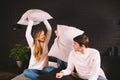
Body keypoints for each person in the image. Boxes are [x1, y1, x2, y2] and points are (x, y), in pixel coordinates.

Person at [17, 9, 54, 80]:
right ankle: (41, 78)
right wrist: (31, 20)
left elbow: (49, 30)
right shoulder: (33, 44)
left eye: (44, 34)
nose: (44, 36)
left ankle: (40, 78)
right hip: (33, 69)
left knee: (51, 69)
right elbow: (27, 34)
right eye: (42, 35)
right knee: (26, 72)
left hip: (44, 70)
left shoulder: (45, 42)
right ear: (37, 36)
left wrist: (44, 19)